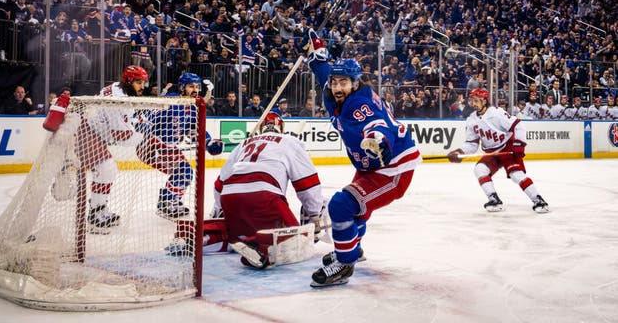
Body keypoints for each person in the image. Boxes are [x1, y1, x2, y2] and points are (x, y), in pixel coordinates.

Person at [305, 30, 421, 287]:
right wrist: (316, 53)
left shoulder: (360, 105)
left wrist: (378, 140)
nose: (337, 87)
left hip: (392, 168)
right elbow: (322, 70)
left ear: (355, 83)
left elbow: (377, 125)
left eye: (343, 83)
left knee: (341, 206)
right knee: (356, 209)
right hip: (370, 164)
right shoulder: (331, 89)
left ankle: (345, 265)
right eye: (336, 82)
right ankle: (352, 249)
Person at [169, 112, 326, 268]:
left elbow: (220, 182)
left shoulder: (244, 143)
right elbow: (307, 182)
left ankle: (195, 235)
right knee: (298, 241)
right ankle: (257, 247)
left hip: (230, 197)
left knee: (234, 233)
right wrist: (314, 213)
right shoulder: (290, 141)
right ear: (281, 128)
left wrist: (218, 211)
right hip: (264, 197)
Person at [135, 72, 224, 220]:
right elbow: (146, 117)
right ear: (182, 87)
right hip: (152, 146)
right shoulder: (171, 102)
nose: (195, 90)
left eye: (197, 87)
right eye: (191, 86)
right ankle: (167, 202)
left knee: (184, 172)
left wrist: (208, 143)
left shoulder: (192, 107)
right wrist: (145, 131)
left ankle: (170, 200)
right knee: (184, 171)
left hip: (168, 148)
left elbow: (194, 131)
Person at [447, 88, 549, 214]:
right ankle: (494, 199)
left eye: (476, 100)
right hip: (492, 153)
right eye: (471, 101)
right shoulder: (471, 120)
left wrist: (519, 145)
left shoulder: (497, 113)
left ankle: (538, 200)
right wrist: (460, 152)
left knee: (516, 174)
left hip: (508, 147)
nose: (473, 103)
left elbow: (518, 126)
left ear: (484, 100)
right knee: (480, 169)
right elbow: (471, 144)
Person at [76, 65, 148, 230]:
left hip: (90, 129)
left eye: (143, 82)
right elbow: (120, 136)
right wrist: (144, 138)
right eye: (138, 82)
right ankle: (95, 214)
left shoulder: (118, 88)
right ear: (129, 81)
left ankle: (98, 209)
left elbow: (120, 125)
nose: (142, 86)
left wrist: (136, 124)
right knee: (107, 168)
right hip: (84, 130)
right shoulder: (118, 100)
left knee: (107, 170)